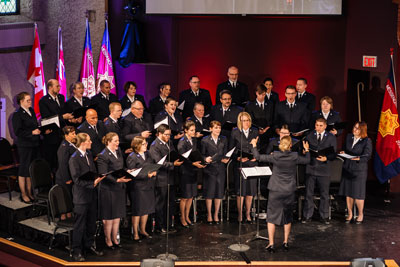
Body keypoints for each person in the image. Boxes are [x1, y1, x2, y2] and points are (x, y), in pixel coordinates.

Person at [250, 136, 310, 252]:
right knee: (287, 216)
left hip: (276, 190)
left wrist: (254, 145)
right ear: (290, 145)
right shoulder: (294, 156)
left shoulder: (275, 155)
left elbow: (258, 157)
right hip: (289, 190)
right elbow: (307, 160)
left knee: (271, 217)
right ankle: (285, 242)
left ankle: (271, 243)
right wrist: (306, 150)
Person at [69, 133, 105, 261]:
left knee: (91, 223)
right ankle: (76, 250)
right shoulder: (74, 158)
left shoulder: (88, 155)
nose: (91, 142)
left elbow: (92, 172)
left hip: (91, 195)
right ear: (83, 142)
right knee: (79, 225)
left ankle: (89, 245)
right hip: (81, 197)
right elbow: (76, 180)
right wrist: (92, 183)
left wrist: (98, 177)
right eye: (89, 140)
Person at [97, 132, 131, 249]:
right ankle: (108, 239)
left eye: (118, 140)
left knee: (117, 215)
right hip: (108, 189)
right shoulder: (103, 155)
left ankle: (115, 239)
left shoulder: (118, 152)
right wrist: (117, 180)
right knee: (109, 217)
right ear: (108, 142)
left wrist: (128, 171)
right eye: (115, 141)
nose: (118, 143)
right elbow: (104, 174)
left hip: (119, 189)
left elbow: (121, 168)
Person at [148, 124, 183, 233]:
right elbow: (159, 162)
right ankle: (160, 226)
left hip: (170, 177)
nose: (168, 137)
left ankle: (168, 224)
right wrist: (173, 164)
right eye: (166, 135)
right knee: (161, 203)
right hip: (161, 178)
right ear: (159, 134)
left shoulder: (169, 143)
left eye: (169, 135)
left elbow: (172, 154)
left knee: (170, 202)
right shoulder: (154, 145)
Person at [302, 118, 337, 224]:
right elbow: (303, 150)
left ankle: (324, 215)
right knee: (308, 193)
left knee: (324, 194)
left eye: (321, 125)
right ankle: (307, 215)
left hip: (324, 169)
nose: (318, 127)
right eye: (317, 125)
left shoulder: (331, 137)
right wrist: (304, 151)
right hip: (311, 168)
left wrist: (326, 158)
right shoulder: (309, 135)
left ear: (325, 126)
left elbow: (334, 153)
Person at [339, 121, 372, 224]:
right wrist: (343, 152)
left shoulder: (367, 141)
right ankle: (350, 214)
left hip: (359, 170)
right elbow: (345, 149)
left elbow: (367, 155)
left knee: (358, 193)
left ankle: (360, 214)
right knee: (348, 193)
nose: (354, 130)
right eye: (354, 127)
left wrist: (358, 158)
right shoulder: (349, 137)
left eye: (357, 128)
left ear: (362, 130)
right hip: (347, 167)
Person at [12, 92, 42, 203]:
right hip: (24, 145)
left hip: (34, 144)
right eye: (28, 100)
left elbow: (34, 126)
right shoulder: (17, 114)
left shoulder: (32, 111)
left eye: (30, 100)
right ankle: (23, 194)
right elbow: (17, 131)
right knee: (23, 170)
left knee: (30, 169)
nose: (30, 102)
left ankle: (30, 192)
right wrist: (32, 132)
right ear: (21, 101)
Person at [229, 112, 258, 222]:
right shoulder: (235, 132)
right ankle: (240, 214)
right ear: (239, 122)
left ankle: (248, 213)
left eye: (247, 120)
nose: (245, 123)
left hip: (251, 164)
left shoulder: (254, 131)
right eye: (243, 120)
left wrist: (256, 156)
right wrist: (238, 158)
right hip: (240, 164)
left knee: (250, 191)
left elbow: (258, 147)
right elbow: (231, 149)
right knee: (241, 190)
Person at [126, 136, 157, 240]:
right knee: (138, 210)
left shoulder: (148, 154)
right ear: (137, 145)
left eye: (146, 143)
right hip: (138, 187)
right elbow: (132, 173)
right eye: (143, 144)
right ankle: (135, 232)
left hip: (148, 185)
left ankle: (143, 229)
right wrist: (146, 175)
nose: (146, 145)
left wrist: (154, 171)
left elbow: (152, 165)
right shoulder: (132, 156)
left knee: (146, 209)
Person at [39, 79, 73, 171]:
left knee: (64, 159)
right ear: (50, 87)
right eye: (57, 86)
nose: (59, 88)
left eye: (59, 86)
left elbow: (65, 111)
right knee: (53, 161)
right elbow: (47, 118)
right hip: (52, 135)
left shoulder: (61, 97)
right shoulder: (43, 101)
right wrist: (62, 117)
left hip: (63, 133)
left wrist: (70, 117)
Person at [177, 120, 206, 227]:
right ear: (185, 130)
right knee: (185, 196)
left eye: (194, 130)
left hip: (193, 171)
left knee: (191, 196)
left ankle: (187, 216)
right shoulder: (182, 142)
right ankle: (182, 217)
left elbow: (195, 154)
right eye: (192, 130)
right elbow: (182, 159)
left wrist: (201, 161)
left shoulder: (193, 140)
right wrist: (194, 164)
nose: (194, 132)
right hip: (185, 171)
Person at [201, 121, 229, 224]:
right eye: (216, 128)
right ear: (211, 129)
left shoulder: (224, 139)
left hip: (220, 168)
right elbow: (202, 155)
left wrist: (226, 158)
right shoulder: (205, 140)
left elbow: (225, 153)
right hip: (210, 169)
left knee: (219, 193)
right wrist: (205, 158)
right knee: (210, 193)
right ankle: (209, 214)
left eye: (219, 128)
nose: (218, 130)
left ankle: (216, 214)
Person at [245, 84, 273, 152]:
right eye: (261, 94)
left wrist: (266, 128)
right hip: (255, 133)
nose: (262, 96)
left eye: (264, 94)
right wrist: (258, 129)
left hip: (268, 133)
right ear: (256, 93)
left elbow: (272, 118)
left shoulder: (270, 104)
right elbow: (250, 120)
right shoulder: (250, 105)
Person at [55, 126, 77, 200]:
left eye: (75, 133)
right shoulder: (64, 147)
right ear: (66, 136)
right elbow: (63, 164)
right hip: (64, 179)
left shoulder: (71, 144)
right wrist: (66, 179)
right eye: (72, 134)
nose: (75, 135)